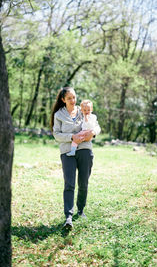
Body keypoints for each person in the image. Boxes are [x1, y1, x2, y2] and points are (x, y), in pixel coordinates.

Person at [51, 87, 101, 229]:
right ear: (63, 100)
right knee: (69, 183)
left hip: (85, 149)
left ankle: (81, 210)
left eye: (74, 97)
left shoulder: (83, 109)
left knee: (83, 182)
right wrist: (72, 137)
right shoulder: (59, 115)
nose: (73, 101)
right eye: (69, 98)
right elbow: (57, 135)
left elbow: (96, 126)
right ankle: (68, 216)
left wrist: (93, 133)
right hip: (67, 152)